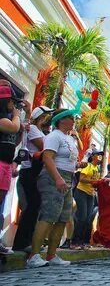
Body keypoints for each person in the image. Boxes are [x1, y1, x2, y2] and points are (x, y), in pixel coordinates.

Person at [26, 109, 79, 268]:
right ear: (62, 120)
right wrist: (57, 178)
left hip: (68, 178)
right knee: (49, 215)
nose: (73, 120)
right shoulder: (54, 136)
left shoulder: (69, 139)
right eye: (70, 117)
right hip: (53, 176)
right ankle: (34, 255)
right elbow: (47, 158)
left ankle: (51, 254)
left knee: (63, 217)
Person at [12, 105, 54, 252]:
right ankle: (21, 243)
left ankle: (28, 241)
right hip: (30, 170)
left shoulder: (40, 131)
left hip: (36, 171)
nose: (48, 118)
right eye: (46, 116)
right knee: (31, 206)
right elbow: (44, 148)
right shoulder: (34, 130)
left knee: (35, 207)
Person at [0, 85, 31, 255]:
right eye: (13, 102)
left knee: (2, 201)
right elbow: (11, 127)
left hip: (6, 163)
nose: (15, 106)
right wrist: (18, 117)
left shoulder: (12, 118)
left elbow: (15, 137)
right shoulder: (4, 118)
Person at [71, 149, 103, 250]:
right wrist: (94, 181)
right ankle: (75, 241)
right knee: (82, 216)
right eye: (98, 155)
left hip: (90, 194)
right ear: (93, 156)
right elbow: (81, 179)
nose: (100, 157)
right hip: (81, 192)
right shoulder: (88, 166)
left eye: (101, 155)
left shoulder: (96, 168)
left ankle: (84, 241)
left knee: (88, 218)